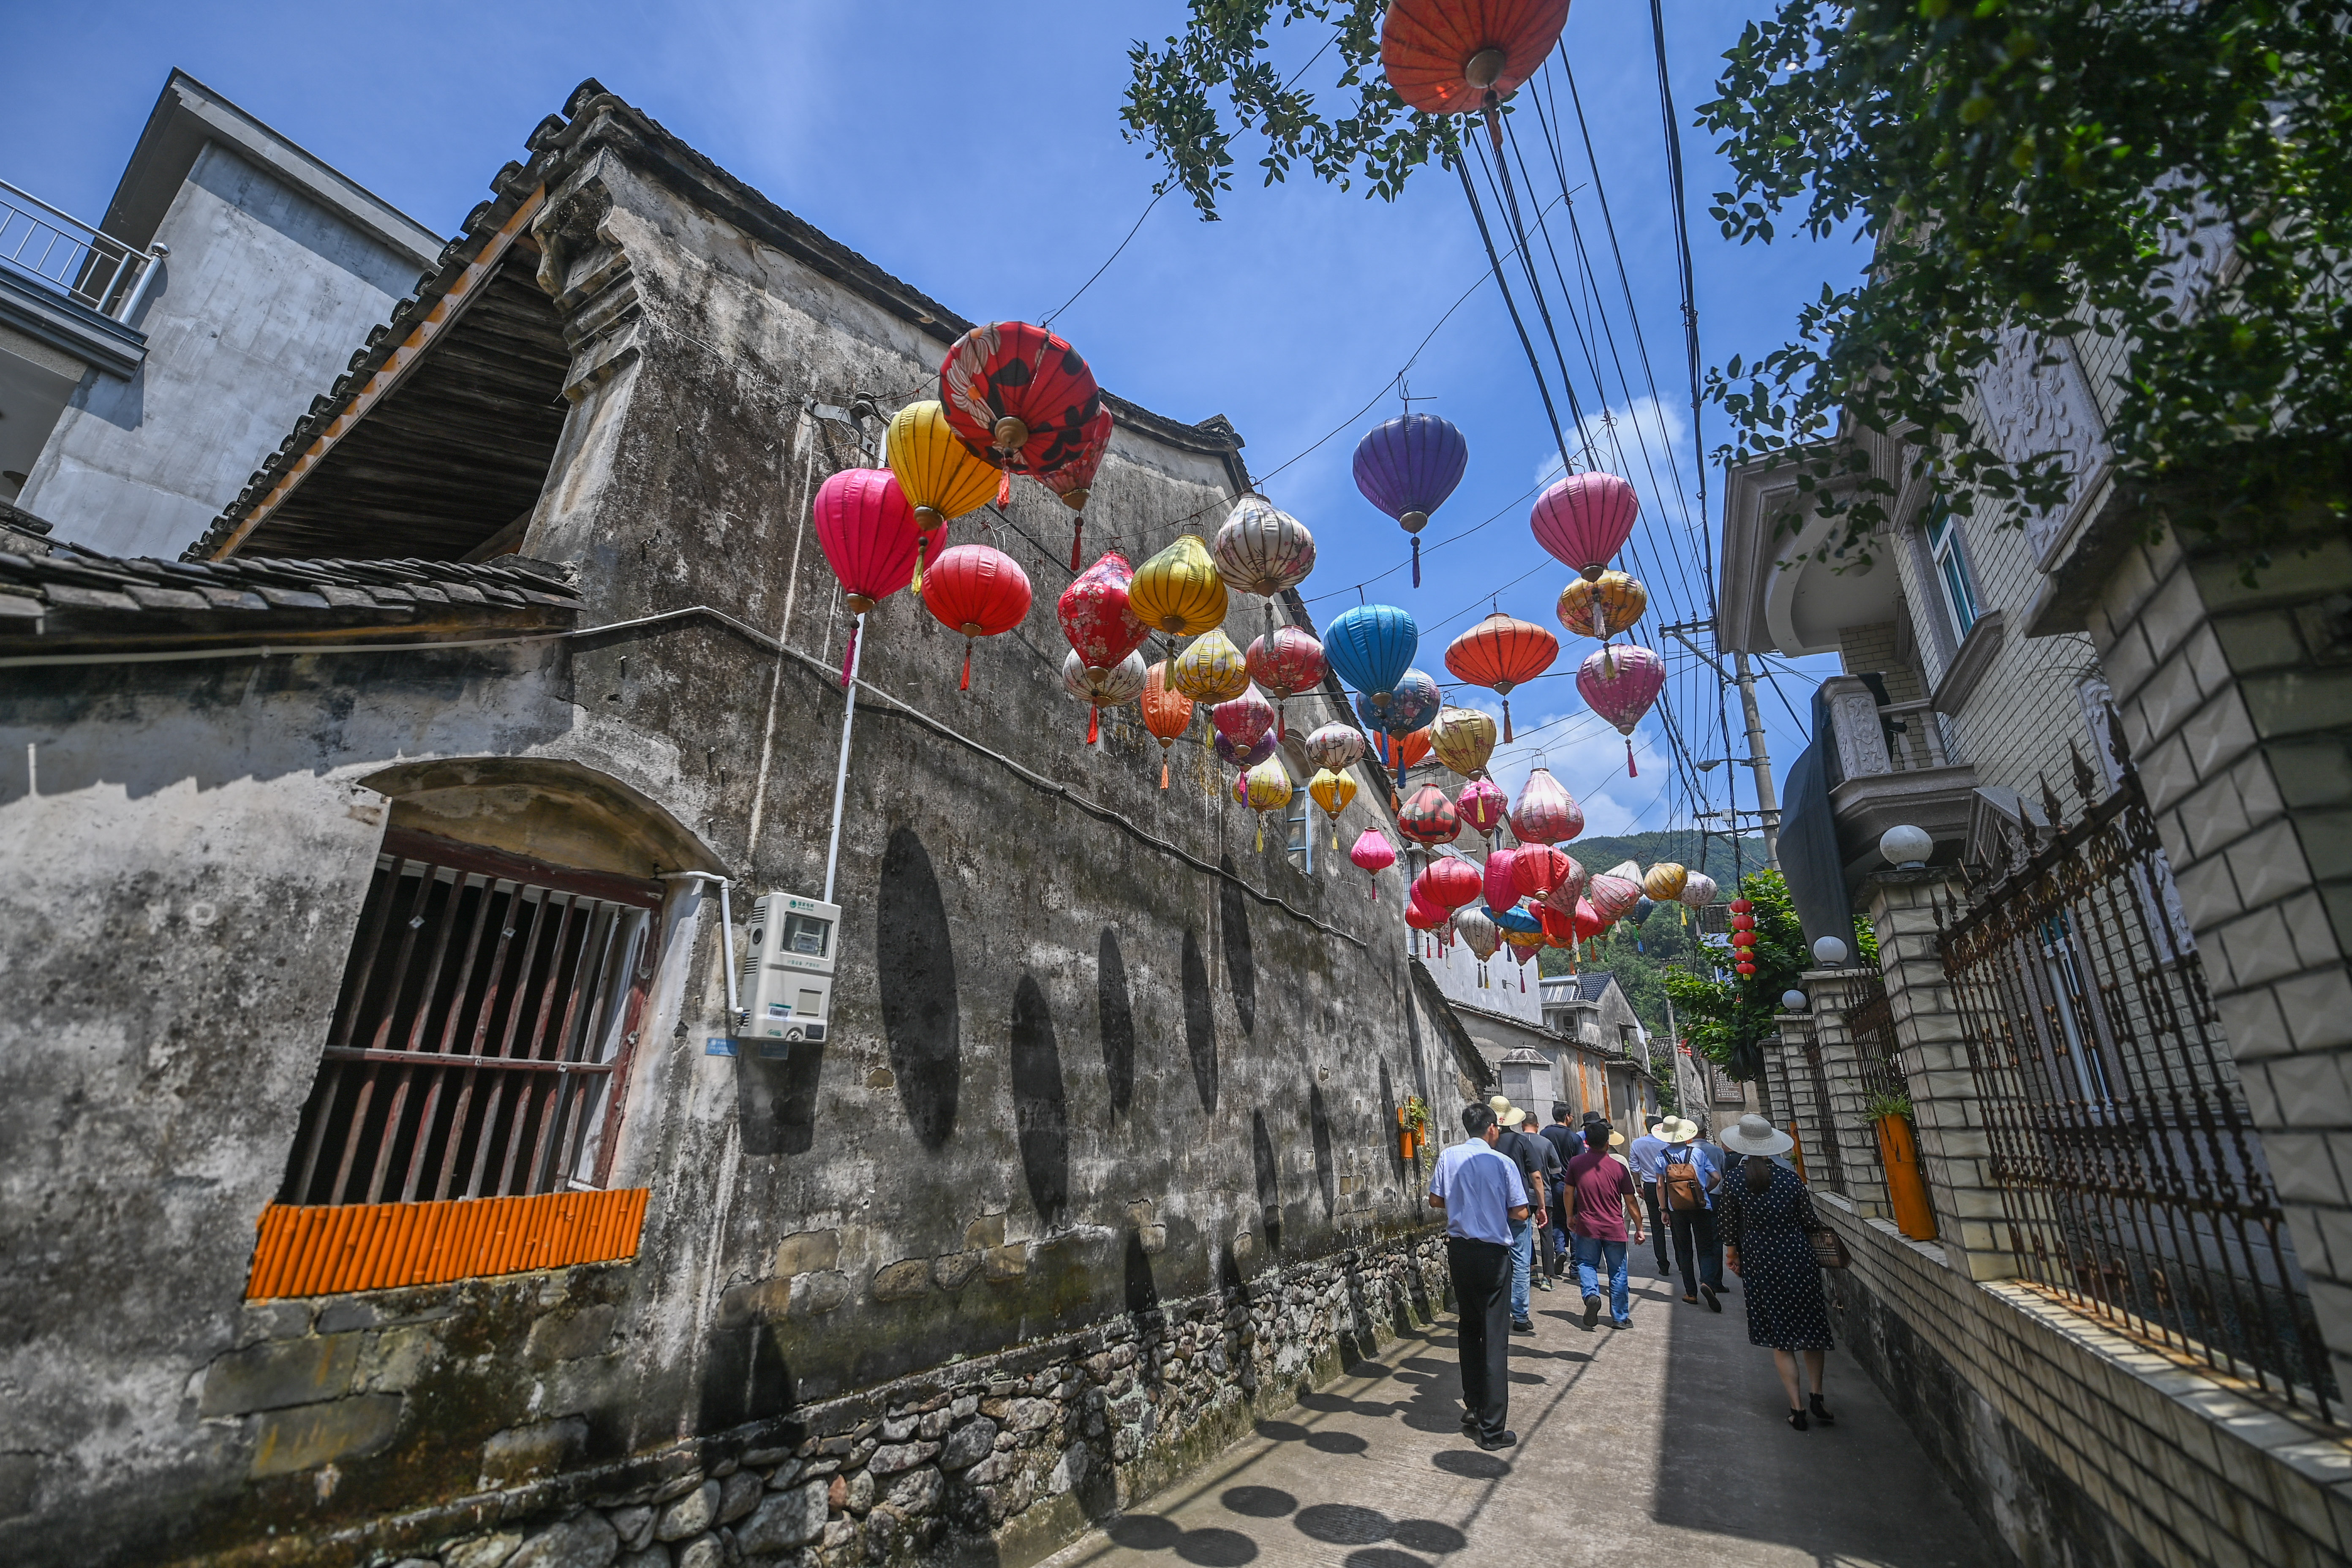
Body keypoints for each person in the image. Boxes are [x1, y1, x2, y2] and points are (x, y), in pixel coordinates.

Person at [1715, 1113, 1837, 1431]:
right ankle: (1818, 1396)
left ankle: (1797, 1410)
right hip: (1798, 1256)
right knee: (1812, 1330)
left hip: (1760, 1259)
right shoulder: (1790, 1179)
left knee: (1782, 1337)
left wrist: (1732, 1256)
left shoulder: (1735, 1181)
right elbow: (1809, 1221)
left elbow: (1728, 1227)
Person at [1428, 1103, 1529, 1450]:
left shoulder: (1449, 1156)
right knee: (1495, 1336)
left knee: (1469, 1328)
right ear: (1491, 1129)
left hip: (1460, 1251)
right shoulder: (1502, 1162)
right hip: (1492, 1253)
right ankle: (1492, 1429)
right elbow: (1520, 1210)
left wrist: (1465, 1204)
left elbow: (1435, 1200)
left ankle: (1473, 1406)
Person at [1565, 1119, 1646, 1329]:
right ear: (1608, 1143)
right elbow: (1631, 1201)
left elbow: (1568, 1192)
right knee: (1618, 1271)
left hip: (1587, 1225)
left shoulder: (1576, 1163)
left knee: (1586, 1263)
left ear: (1587, 1143)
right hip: (1614, 1227)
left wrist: (1569, 1216)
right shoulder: (1619, 1168)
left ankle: (1592, 1294)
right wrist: (1639, 1227)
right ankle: (1620, 1317)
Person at [1660, 1119, 1725, 1311]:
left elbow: (1659, 1185)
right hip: (1700, 1207)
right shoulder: (1697, 1153)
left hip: (1677, 1210)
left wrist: (1664, 1209)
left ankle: (1691, 1293)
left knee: (1685, 1250)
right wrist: (1704, 1191)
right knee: (1705, 1248)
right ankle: (1707, 1282)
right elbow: (1717, 1177)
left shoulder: (1662, 1156)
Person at [1495, 1107, 1549, 1330]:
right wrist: (1542, 1207)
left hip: (1492, 1210)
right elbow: (1536, 1176)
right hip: (1518, 1208)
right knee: (1520, 1261)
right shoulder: (1521, 1142)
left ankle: (1495, 1313)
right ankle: (1520, 1316)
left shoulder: (1486, 1144)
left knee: (1495, 1261)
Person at [1538, 1105, 1583, 1280]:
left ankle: (1560, 1250)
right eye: (1571, 1116)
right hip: (1571, 1187)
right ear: (1567, 1116)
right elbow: (1580, 1165)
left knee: (1557, 1220)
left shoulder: (1544, 1135)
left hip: (1551, 1185)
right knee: (1575, 1224)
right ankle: (1575, 1267)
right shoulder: (1574, 1138)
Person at [1626, 1119, 1671, 1277]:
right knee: (1678, 1224)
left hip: (1650, 1186)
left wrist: (1638, 1185)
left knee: (1656, 1227)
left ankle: (1663, 1264)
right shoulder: (1667, 1142)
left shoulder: (1638, 1143)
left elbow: (1634, 1166)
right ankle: (1681, 1261)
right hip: (1671, 1184)